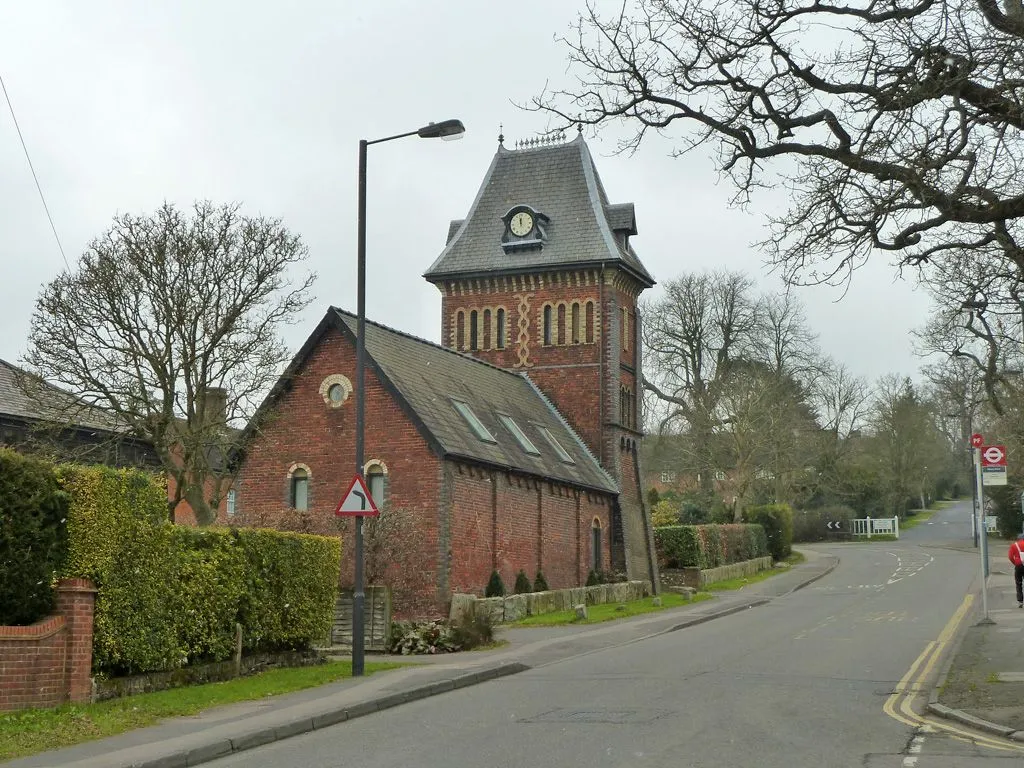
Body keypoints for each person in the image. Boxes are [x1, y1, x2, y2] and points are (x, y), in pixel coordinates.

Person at [1010, 534, 1024, 608]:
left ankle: (1020, 601)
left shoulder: (1014, 545)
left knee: (1018, 583)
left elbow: (1010, 556)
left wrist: (1015, 563)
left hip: (1018, 565)